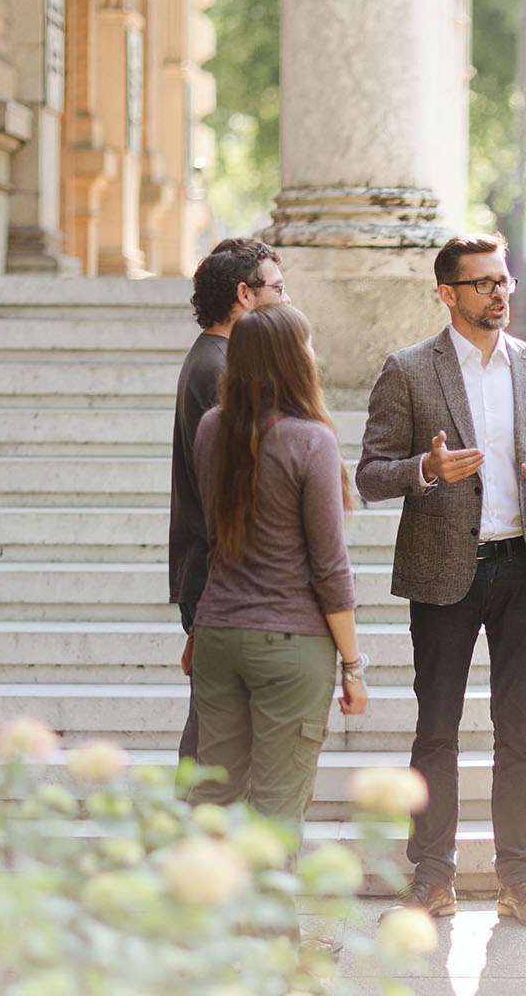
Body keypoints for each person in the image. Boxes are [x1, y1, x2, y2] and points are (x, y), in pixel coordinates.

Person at [356, 233, 526, 930]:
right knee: (436, 733)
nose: (499, 293)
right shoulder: (408, 370)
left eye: (503, 281)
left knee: (520, 733)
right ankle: (432, 878)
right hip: (443, 571)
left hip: (521, 564)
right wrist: (426, 471)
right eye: (483, 283)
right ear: (448, 293)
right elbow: (368, 474)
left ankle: (521, 880)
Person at [185, 303, 367, 822]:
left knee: (213, 800)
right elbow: (329, 566)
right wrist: (353, 666)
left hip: (219, 633)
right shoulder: (312, 441)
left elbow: (215, 538)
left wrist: (199, 628)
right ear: (295, 359)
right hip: (290, 642)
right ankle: (264, 905)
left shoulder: (210, 428)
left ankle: (203, 903)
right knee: (276, 808)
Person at [171, 238, 289, 762]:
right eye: (277, 288)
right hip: (224, 577)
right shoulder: (219, 371)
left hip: (218, 575)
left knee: (218, 737)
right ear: (245, 294)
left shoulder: (216, 361)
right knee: (215, 742)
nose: (286, 300)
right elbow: (229, 494)